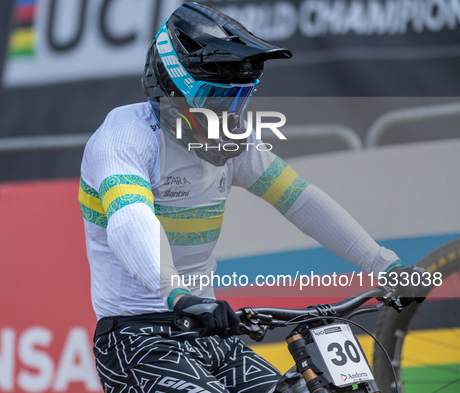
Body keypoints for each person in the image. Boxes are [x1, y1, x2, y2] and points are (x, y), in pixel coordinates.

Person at [78, 3, 426, 392]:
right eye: (216, 98)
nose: (228, 114)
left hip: (211, 334)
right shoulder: (124, 137)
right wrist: (175, 294)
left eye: (239, 98)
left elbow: (300, 199)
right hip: (138, 338)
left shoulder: (234, 141)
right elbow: (130, 219)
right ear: (172, 87)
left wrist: (383, 265)